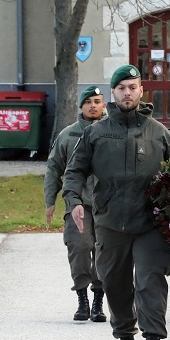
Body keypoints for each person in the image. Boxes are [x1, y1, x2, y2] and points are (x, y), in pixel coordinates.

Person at [63, 65, 170, 340]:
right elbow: (74, 171)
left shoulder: (159, 133)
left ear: (141, 91)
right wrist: (74, 201)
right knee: (115, 284)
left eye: (133, 87)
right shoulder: (95, 133)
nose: (128, 92)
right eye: (122, 88)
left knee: (150, 280)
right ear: (113, 93)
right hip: (111, 223)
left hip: (149, 223)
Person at [44, 85, 107, 322]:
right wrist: (50, 200)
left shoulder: (111, 132)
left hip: (106, 205)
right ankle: (82, 298)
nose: (93, 105)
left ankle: (99, 301)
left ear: (103, 105)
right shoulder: (68, 135)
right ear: (81, 106)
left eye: (98, 101)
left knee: (104, 251)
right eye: (88, 101)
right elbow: (53, 168)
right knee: (79, 247)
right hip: (77, 202)